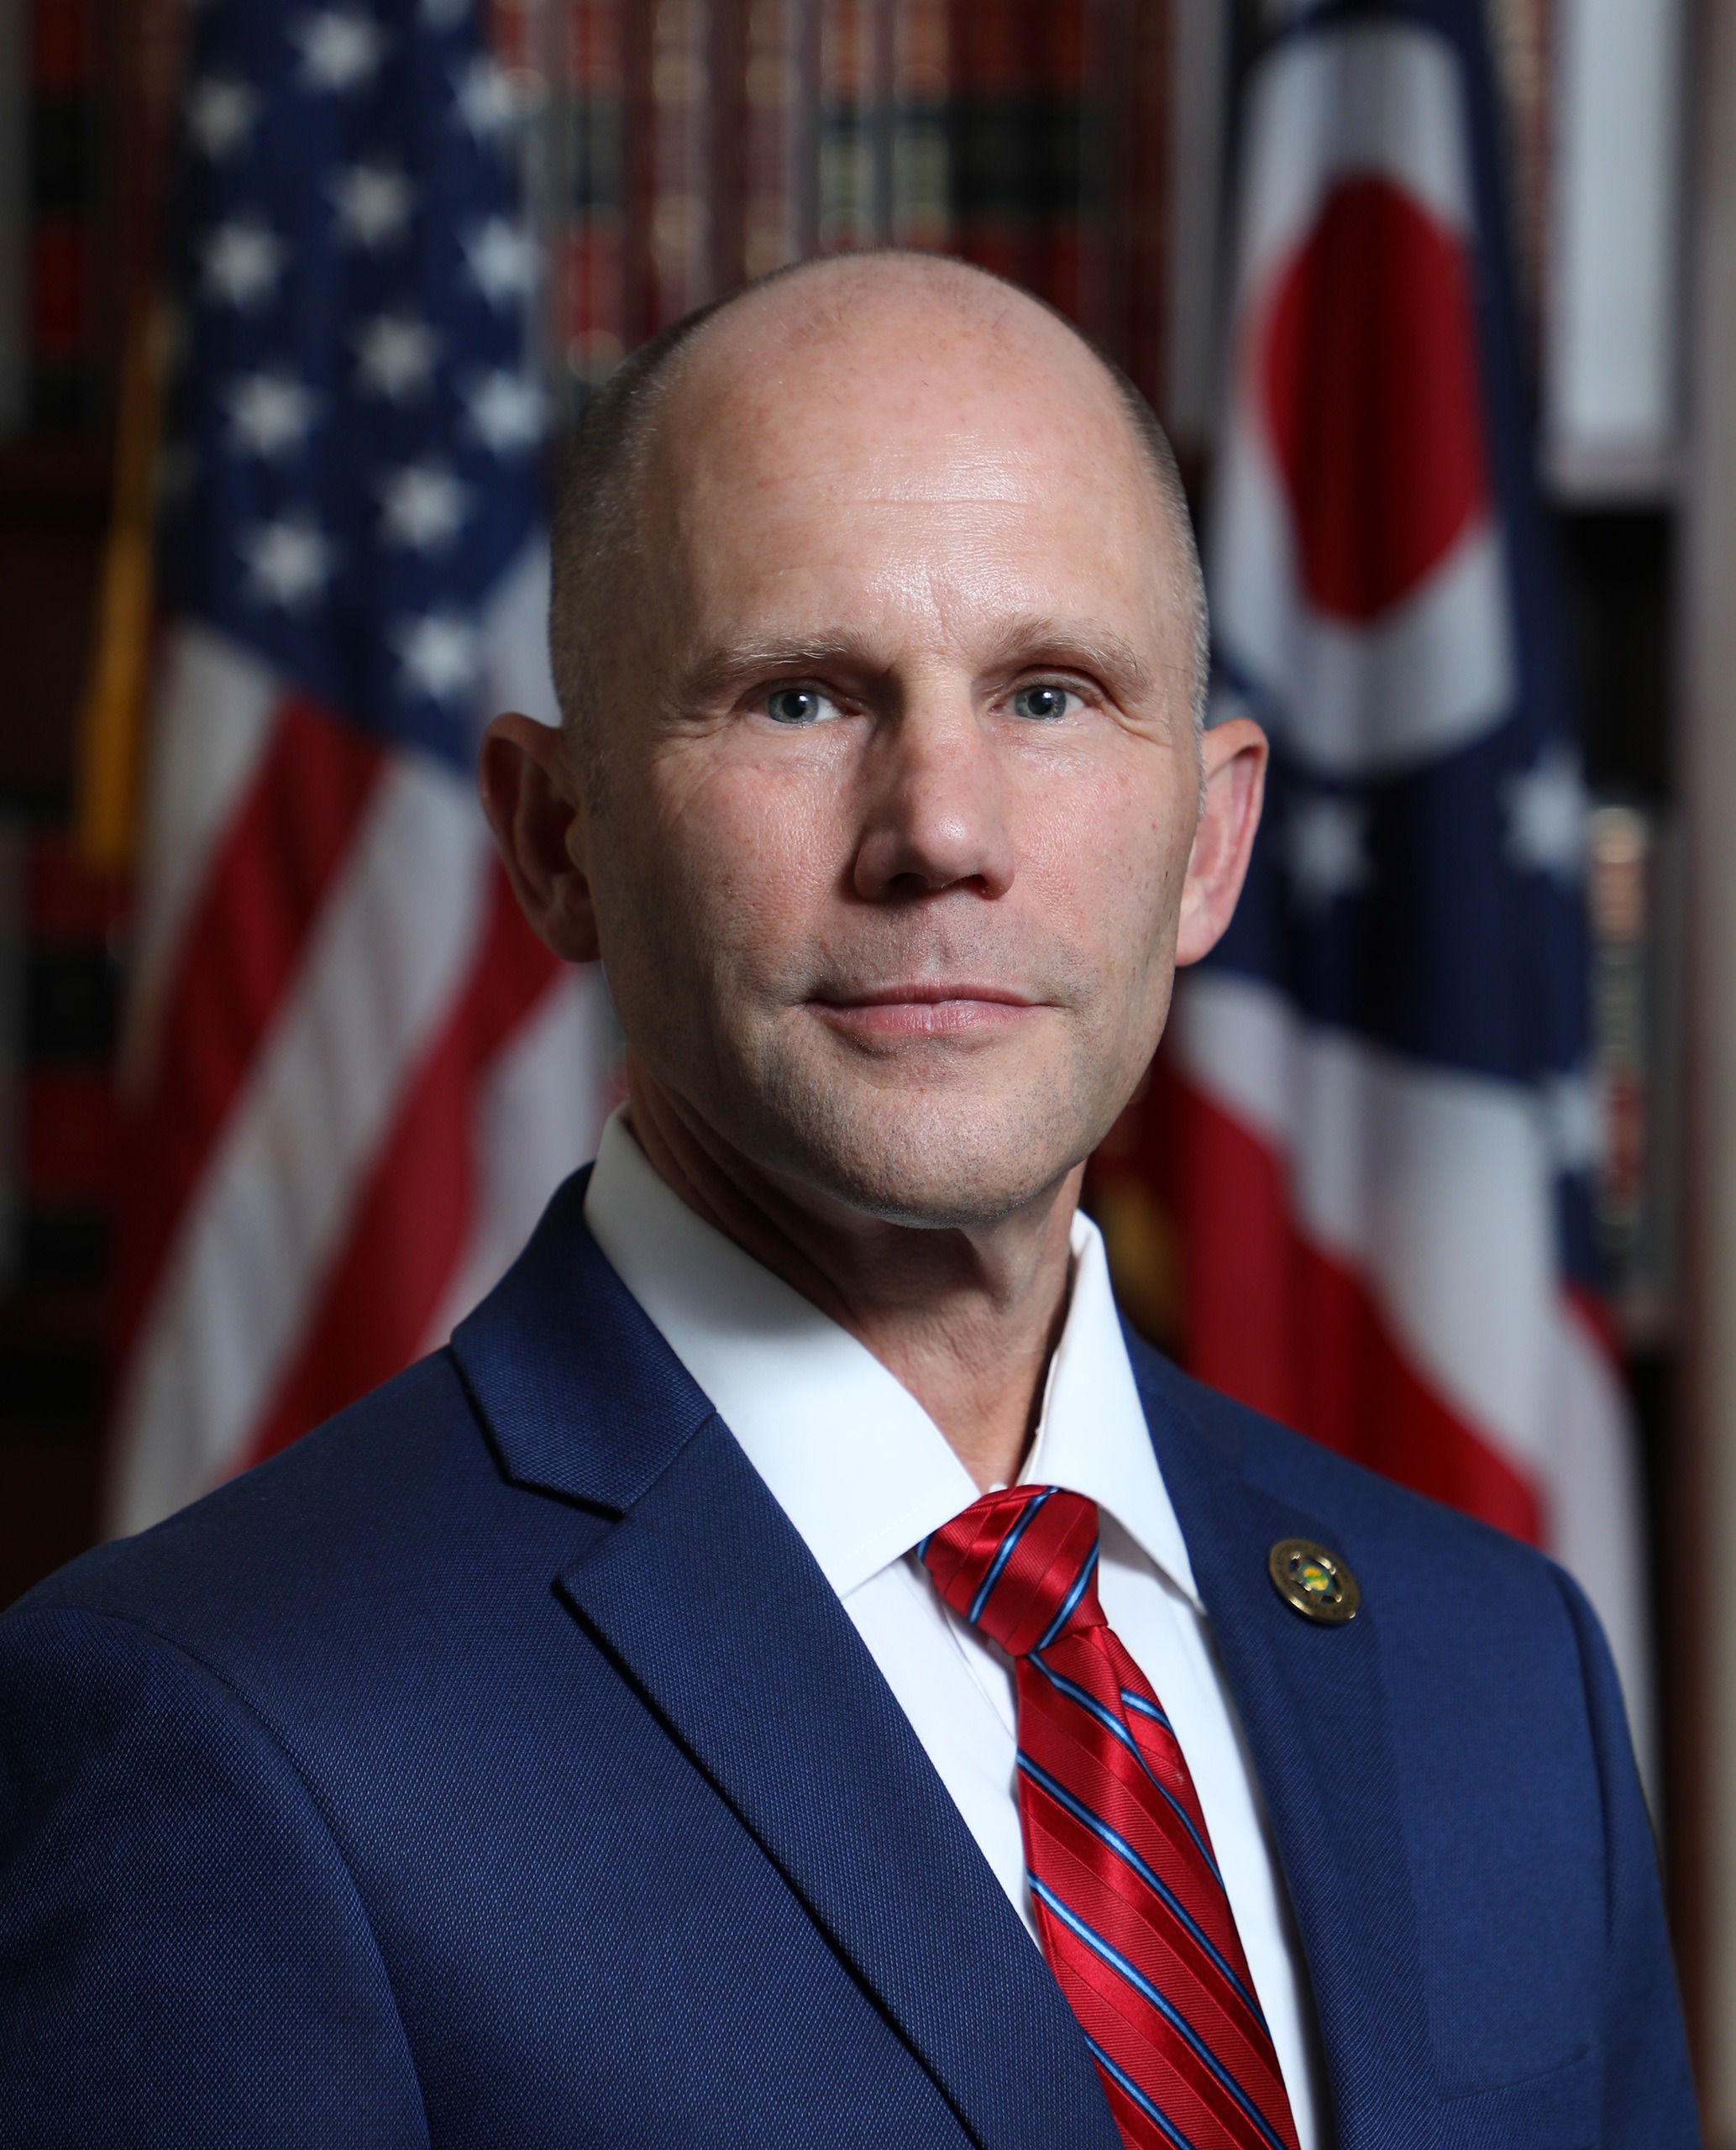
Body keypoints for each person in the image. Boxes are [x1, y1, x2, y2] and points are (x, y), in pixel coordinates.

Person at [0, 254, 1697, 2148]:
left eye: (1049, 693)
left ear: (1210, 840)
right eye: (799, 696)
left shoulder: (1495, 1666)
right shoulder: (223, 1730)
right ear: (557, 839)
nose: (942, 830)